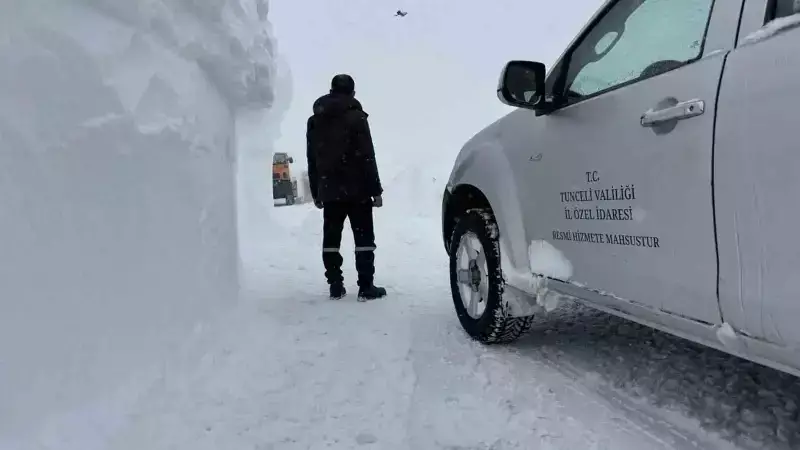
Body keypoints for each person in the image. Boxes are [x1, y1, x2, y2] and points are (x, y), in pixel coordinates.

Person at [306, 74, 387, 301]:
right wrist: (376, 191)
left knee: (331, 239)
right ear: (352, 92)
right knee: (363, 239)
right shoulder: (357, 118)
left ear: (331, 90)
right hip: (358, 189)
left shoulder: (315, 121)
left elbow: (312, 158)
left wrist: (316, 191)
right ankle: (366, 287)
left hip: (330, 190)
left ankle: (335, 284)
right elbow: (367, 156)